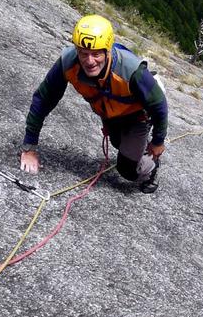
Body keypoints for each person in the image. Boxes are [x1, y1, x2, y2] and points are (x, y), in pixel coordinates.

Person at [19, 15, 168, 193]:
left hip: (138, 114)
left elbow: (159, 106)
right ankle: (134, 148)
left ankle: (151, 166)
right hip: (112, 113)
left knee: (127, 169)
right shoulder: (68, 63)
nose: (89, 61)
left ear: (107, 50)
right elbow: (43, 99)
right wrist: (29, 147)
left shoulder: (131, 71)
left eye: (96, 53)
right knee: (119, 143)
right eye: (83, 53)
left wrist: (158, 141)